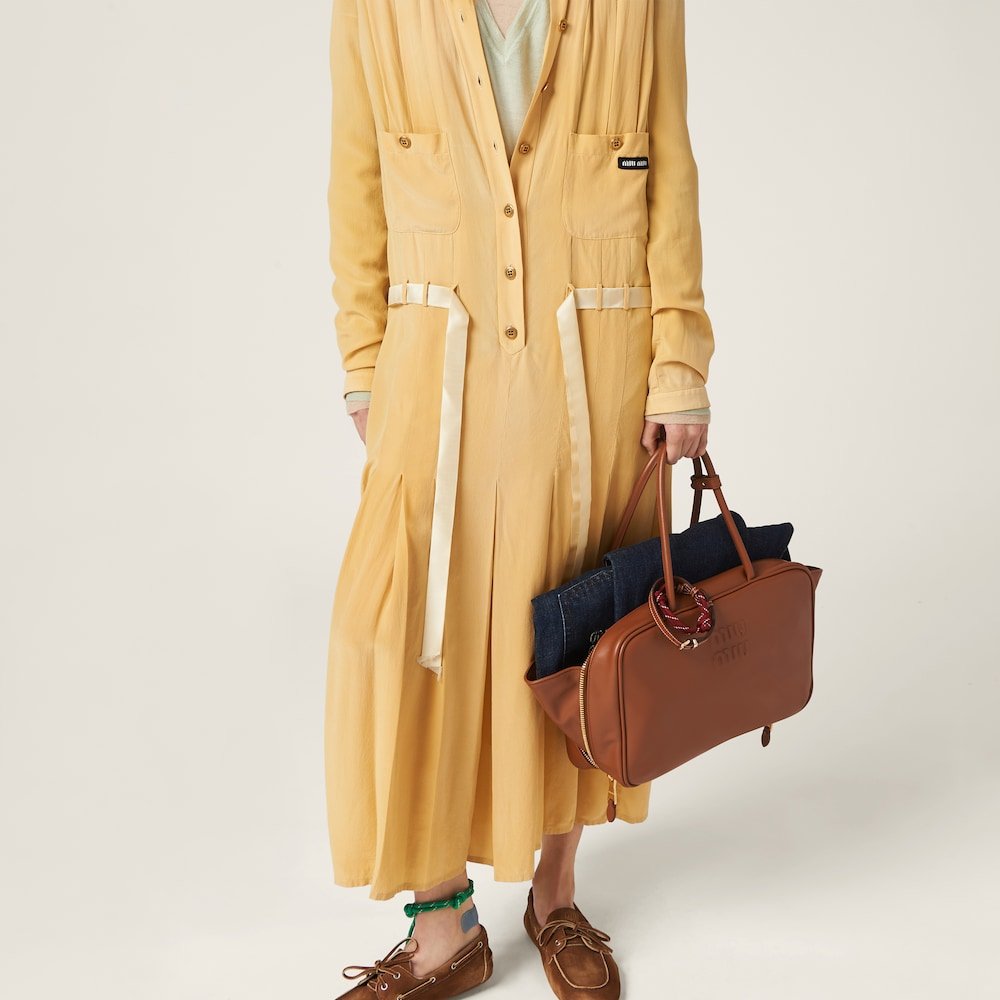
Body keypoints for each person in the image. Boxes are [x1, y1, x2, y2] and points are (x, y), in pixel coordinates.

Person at [325, 0, 714, 996]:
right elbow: (357, 174)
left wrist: (679, 365)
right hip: (431, 355)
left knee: (578, 628)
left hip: (597, 357)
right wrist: (363, 360)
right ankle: (443, 924)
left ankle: (556, 892)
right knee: (407, 631)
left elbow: (668, 167)